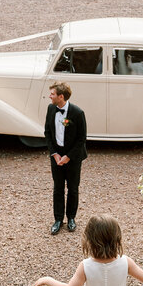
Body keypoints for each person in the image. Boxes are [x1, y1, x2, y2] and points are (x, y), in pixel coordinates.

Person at [44, 82, 87, 235]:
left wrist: (68, 157)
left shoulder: (77, 113)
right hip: (56, 155)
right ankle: (57, 219)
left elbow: (82, 139)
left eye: (52, 94)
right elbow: (47, 133)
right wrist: (54, 154)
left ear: (61, 96)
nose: (50, 96)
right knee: (58, 188)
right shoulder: (50, 109)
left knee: (73, 188)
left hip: (73, 157)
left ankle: (71, 218)